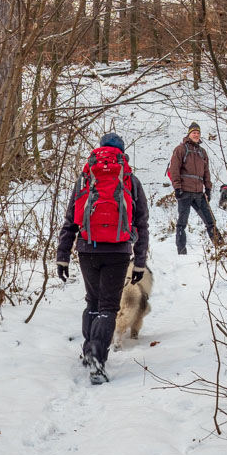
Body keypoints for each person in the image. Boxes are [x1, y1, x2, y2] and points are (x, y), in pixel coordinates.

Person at [56, 132, 149, 384]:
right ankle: (97, 354)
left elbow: (70, 219)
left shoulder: (86, 178)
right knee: (109, 306)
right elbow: (141, 222)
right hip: (118, 251)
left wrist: (63, 255)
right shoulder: (130, 179)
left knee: (93, 302)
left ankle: (89, 350)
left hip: (87, 248)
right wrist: (139, 261)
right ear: (122, 152)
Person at [168, 122, 215, 254]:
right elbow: (174, 169)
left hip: (199, 193)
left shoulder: (202, 152)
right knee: (182, 223)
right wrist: (177, 188)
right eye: (194, 132)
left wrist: (208, 188)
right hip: (185, 192)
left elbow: (206, 172)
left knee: (210, 221)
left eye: (198, 133)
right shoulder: (181, 149)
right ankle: (181, 251)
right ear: (189, 134)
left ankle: (220, 246)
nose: (196, 135)